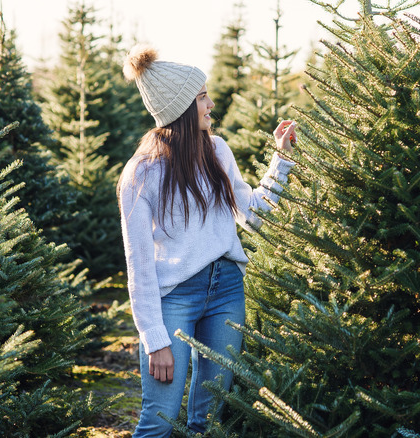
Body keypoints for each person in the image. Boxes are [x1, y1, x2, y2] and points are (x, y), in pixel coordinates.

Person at [117, 45, 297, 437]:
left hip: (227, 291)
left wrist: (280, 163)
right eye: (202, 97)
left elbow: (253, 215)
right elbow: (139, 264)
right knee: (158, 419)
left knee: (210, 419)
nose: (211, 104)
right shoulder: (141, 174)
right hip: (174, 299)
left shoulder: (217, 151)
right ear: (181, 107)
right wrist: (154, 338)